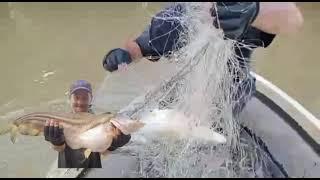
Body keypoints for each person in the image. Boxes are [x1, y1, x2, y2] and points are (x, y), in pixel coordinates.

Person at [101, 2, 303, 116]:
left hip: (234, 101)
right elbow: (138, 46)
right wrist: (123, 54)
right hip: (184, 100)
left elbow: (293, 20)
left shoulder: (247, 7)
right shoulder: (179, 16)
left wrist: (254, 13)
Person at [44, 80, 132, 168]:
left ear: (91, 99)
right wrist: (56, 142)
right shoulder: (60, 122)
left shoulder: (101, 122)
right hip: (66, 166)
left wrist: (113, 145)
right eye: (76, 98)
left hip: (92, 168)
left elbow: (103, 153)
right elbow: (59, 149)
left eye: (85, 98)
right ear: (69, 99)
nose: (80, 102)